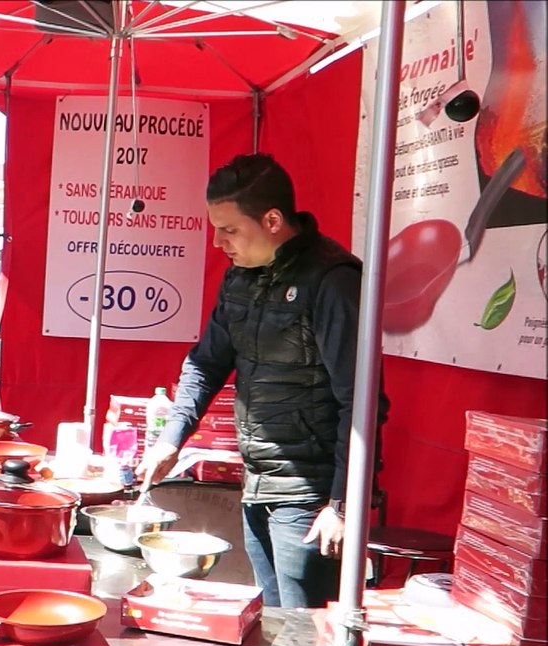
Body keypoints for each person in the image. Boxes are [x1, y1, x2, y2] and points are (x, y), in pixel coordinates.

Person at [136, 153, 389, 609]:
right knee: (272, 624)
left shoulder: (332, 280)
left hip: (310, 497)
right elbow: (205, 363)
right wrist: (171, 439)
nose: (217, 242)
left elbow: (364, 401)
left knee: (304, 633)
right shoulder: (240, 279)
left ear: (272, 220)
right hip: (257, 482)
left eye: (229, 229)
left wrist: (343, 505)